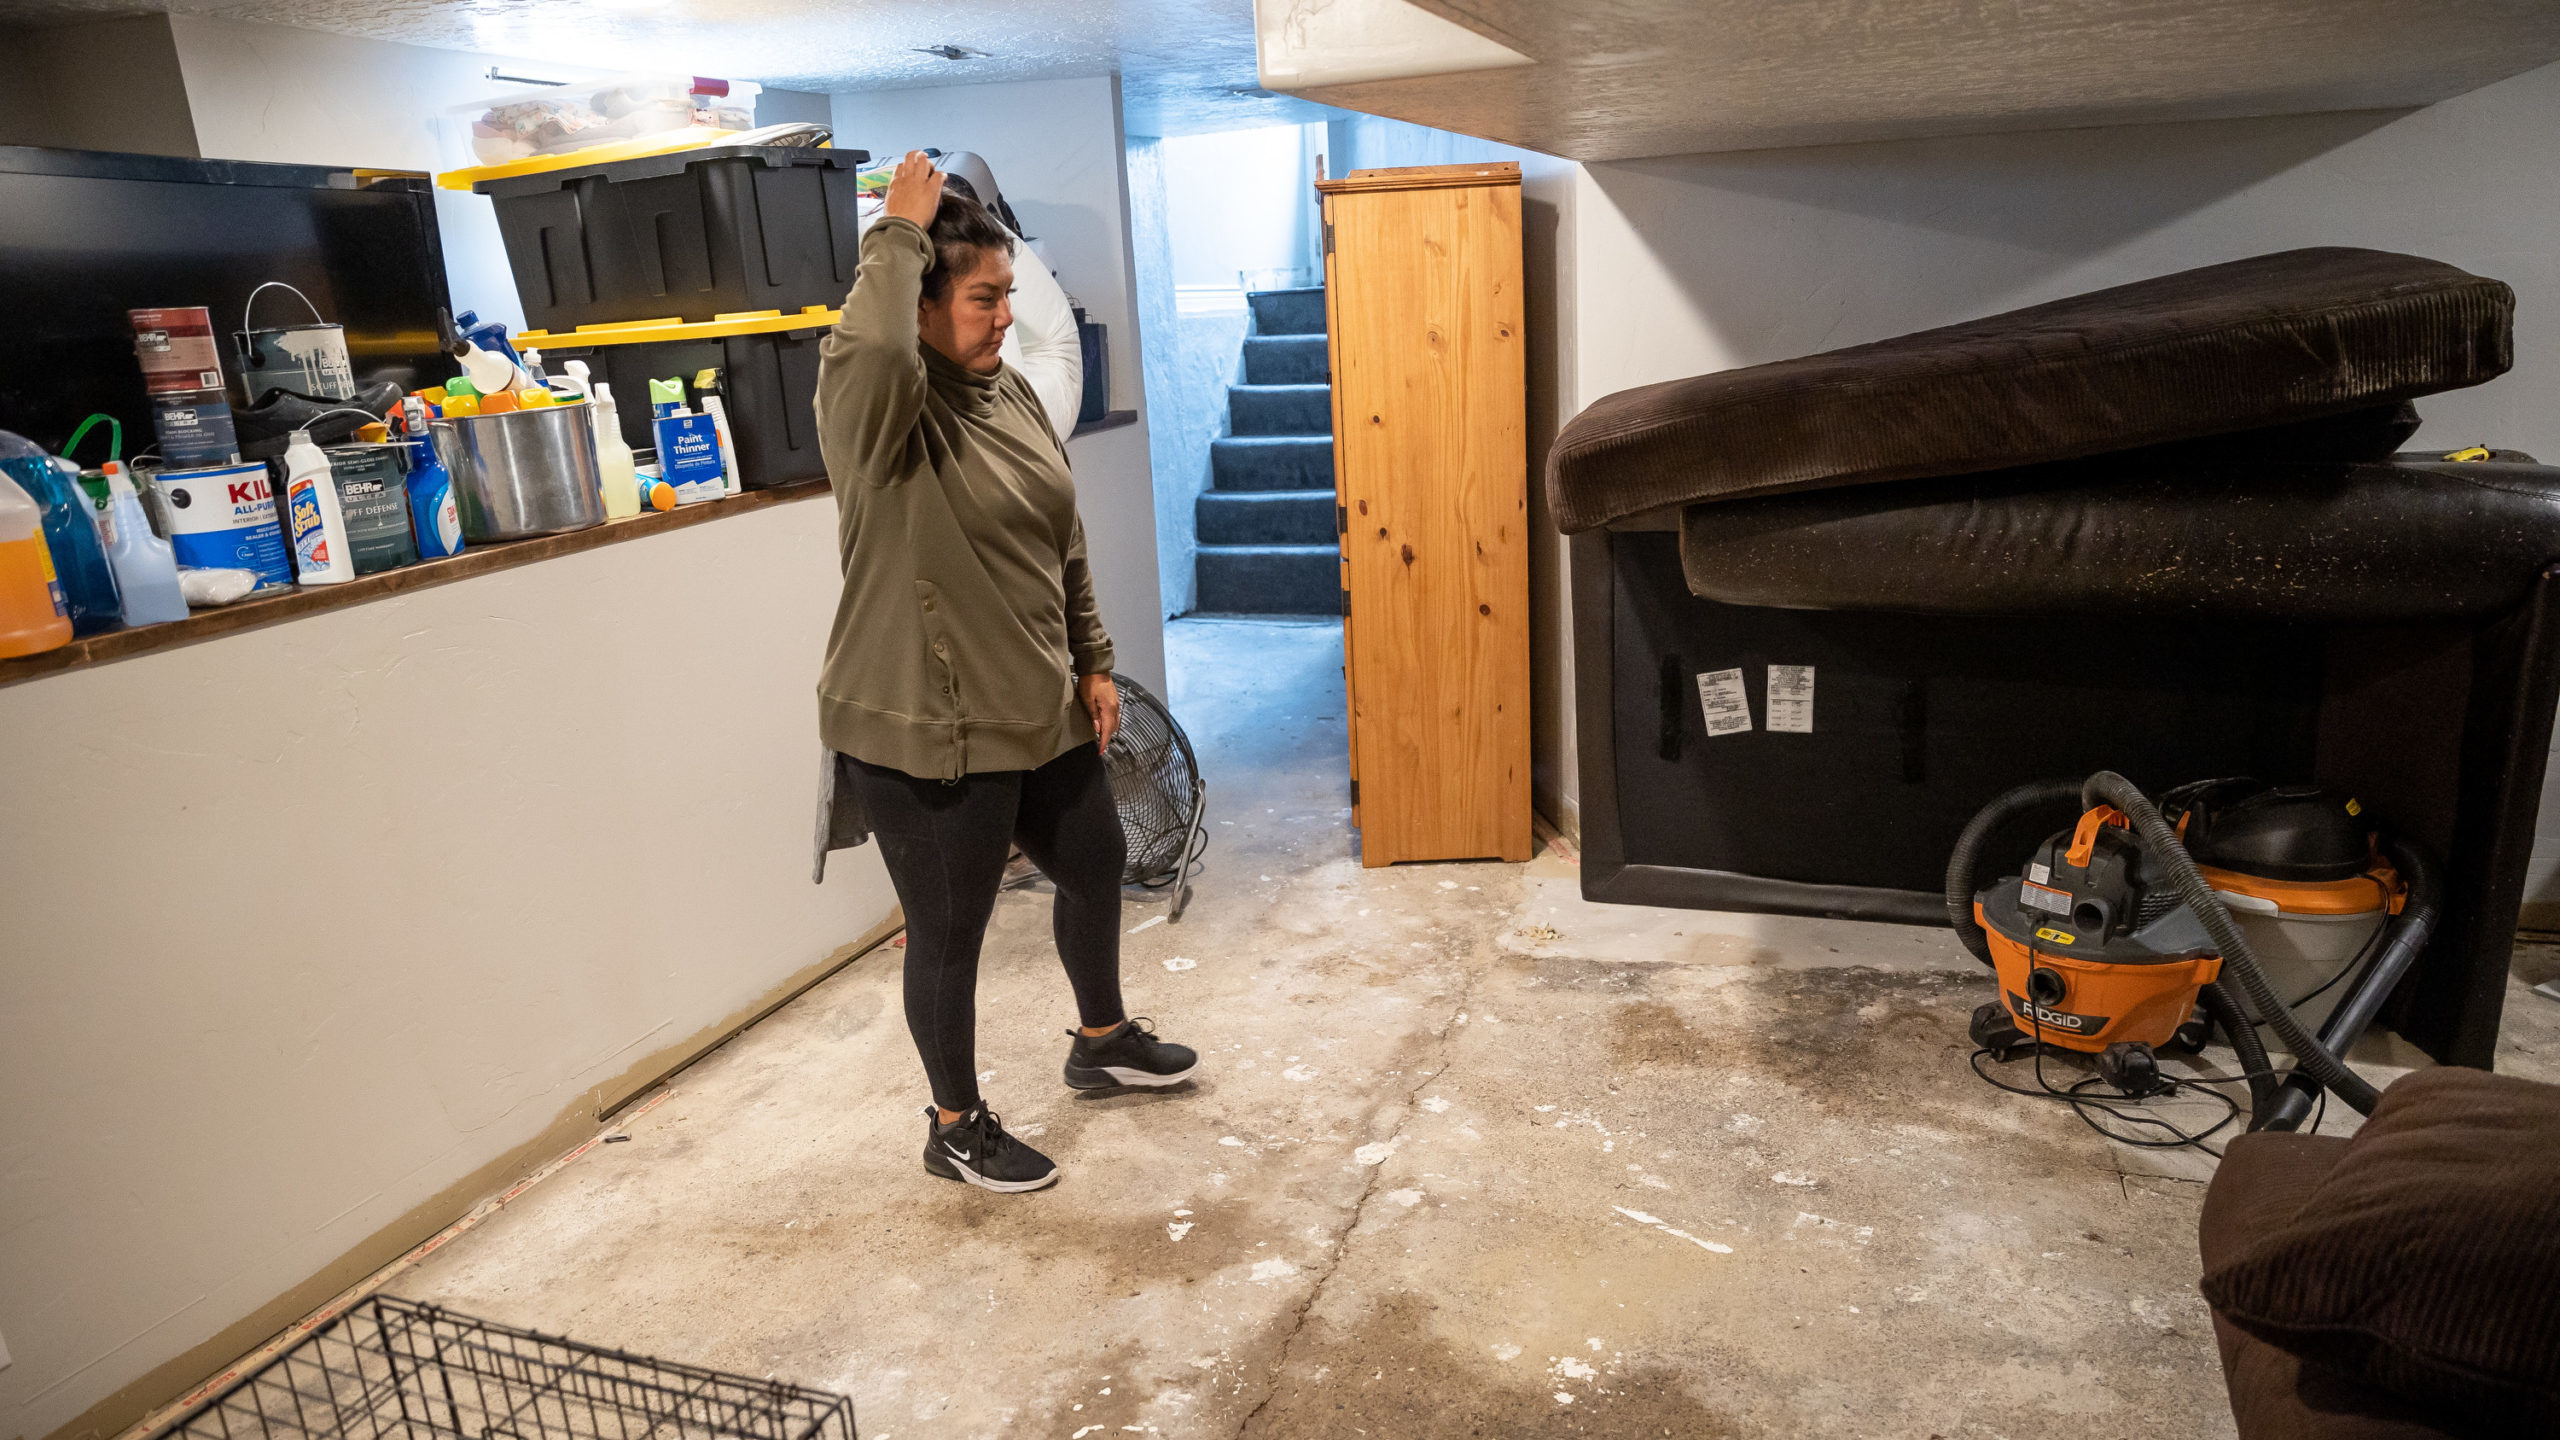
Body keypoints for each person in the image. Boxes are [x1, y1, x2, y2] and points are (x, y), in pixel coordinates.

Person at [813, 151, 1197, 1194]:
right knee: (950, 933)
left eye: (1007, 294)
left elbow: (1060, 537)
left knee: (1095, 861)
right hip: (927, 725)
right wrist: (897, 230)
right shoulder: (879, 411)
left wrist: (1094, 660)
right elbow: (871, 349)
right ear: (921, 304)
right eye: (983, 298)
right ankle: (954, 1126)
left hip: (1035, 699)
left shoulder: (1010, 394)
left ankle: (1101, 1040)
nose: (1003, 317)